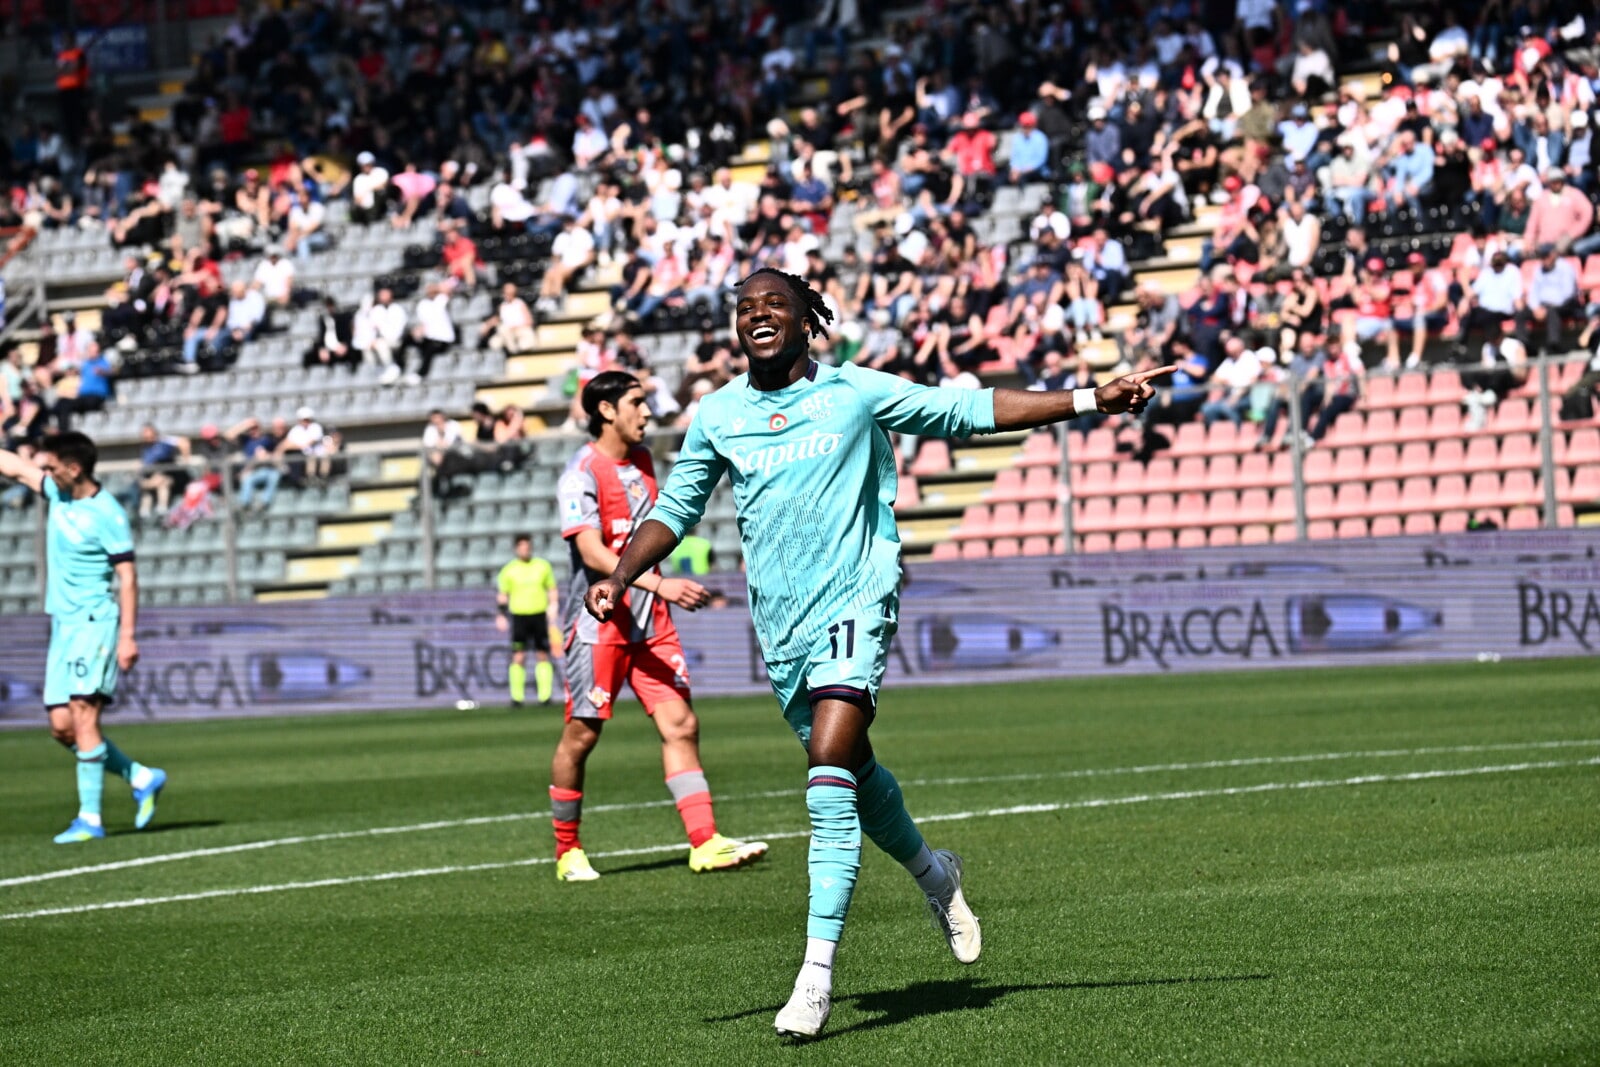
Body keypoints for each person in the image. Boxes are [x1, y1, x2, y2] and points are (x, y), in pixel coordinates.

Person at [583, 269, 1168, 1039]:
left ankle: (814, 976)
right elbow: (676, 507)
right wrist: (621, 575)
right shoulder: (720, 413)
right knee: (853, 772)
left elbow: (965, 410)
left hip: (857, 599)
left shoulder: (854, 391)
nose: (759, 314)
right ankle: (935, 873)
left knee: (827, 770)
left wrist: (1092, 397)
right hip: (783, 625)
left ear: (806, 321)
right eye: (746, 307)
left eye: (775, 303)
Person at [550, 371, 769, 883]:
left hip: (652, 624)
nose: (647, 411)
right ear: (606, 410)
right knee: (582, 736)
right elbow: (591, 551)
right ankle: (567, 851)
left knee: (681, 725)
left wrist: (655, 592)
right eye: (636, 402)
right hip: (600, 624)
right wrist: (660, 584)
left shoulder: (645, 461)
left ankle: (705, 842)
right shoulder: (579, 473)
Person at [0, 432, 167, 842]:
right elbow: (16, 469)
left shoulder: (107, 514)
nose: (46, 472)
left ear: (74, 469)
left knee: (83, 714)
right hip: (63, 625)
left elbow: (128, 577)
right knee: (62, 727)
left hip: (95, 624)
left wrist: (128, 636)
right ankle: (140, 776)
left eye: (52, 466)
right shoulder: (59, 494)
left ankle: (90, 819)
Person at [495, 534, 558, 707]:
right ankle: (517, 697)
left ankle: (545, 696)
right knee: (518, 655)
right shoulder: (509, 570)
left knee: (542, 654)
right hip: (519, 616)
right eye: (522, 547)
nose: (525, 550)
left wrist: (554, 605)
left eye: (527, 546)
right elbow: (503, 594)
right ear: (516, 549)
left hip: (539, 615)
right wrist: (501, 614)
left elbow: (551, 588)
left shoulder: (542, 566)